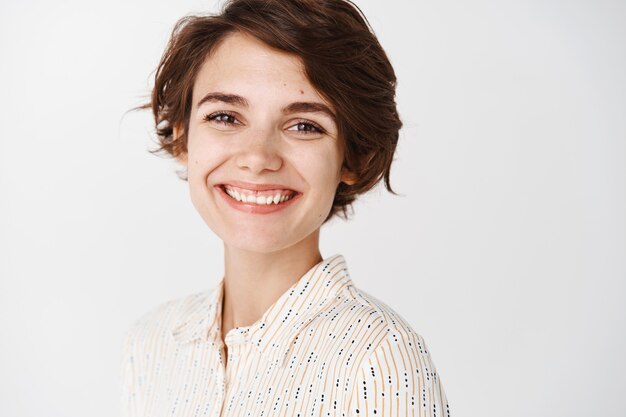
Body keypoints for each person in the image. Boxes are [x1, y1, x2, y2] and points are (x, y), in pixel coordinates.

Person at [121, 1, 450, 416]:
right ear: (184, 136)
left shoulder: (378, 359)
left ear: (353, 158)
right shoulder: (150, 343)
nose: (258, 157)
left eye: (305, 125)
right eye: (225, 117)